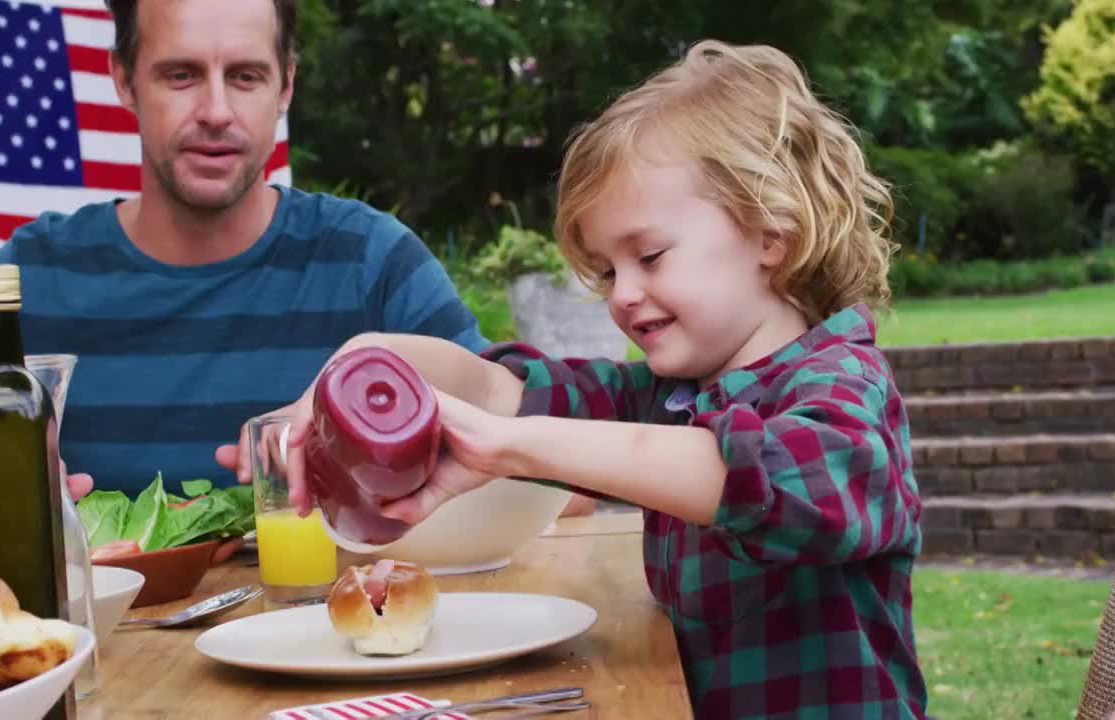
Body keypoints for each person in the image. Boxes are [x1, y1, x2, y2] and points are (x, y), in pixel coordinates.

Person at [252, 40, 926, 717]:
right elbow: (494, 390)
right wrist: (366, 358)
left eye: (650, 256)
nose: (623, 295)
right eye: (608, 272)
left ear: (771, 232)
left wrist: (518, 448)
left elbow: (775, 478)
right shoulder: (669, 394)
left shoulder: (842, 385)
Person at [0, 0, 487, 499]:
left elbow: (530, 460)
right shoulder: (27, 279)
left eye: (245, 76)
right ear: (124, 80)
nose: (215, 112)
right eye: (180, 75)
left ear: (285, 85)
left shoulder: (370, 260)